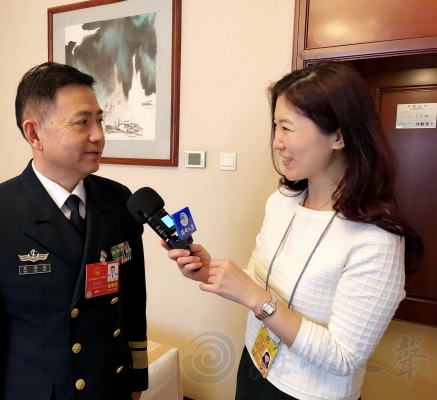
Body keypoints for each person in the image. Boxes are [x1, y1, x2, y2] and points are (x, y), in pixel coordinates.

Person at [163, 62, 422, 400]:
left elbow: (344, 357)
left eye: (287, 128)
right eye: (275, 127)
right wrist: (210, 271)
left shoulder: (376, 238)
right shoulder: (282, 202)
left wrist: (255, 298)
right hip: (255, 365)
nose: (276, 142)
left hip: (309, 393)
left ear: (339, 135)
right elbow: (259, 280)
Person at [0, 62, 148, 400]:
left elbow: (132, 301)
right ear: (34, 134)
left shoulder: (118, 200)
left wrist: (136, 380)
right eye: (82, 122)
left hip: (110, 387)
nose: (98, 135)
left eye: (99, 120)